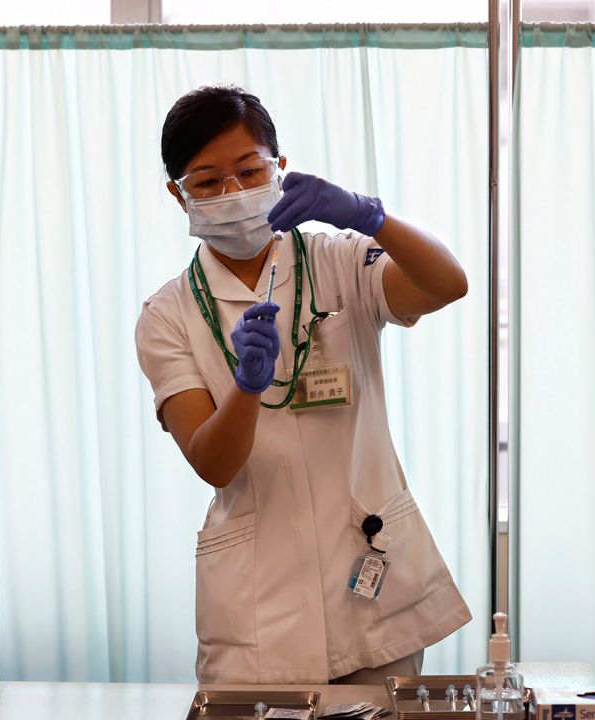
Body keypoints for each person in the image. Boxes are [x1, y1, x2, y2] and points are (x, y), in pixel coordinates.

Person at [135, 85, 471, 685]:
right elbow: (213, 462)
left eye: (248, 170)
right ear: (177, 195)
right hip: (257, 613)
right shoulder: (168, 315)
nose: (232, 193)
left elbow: (447, 285)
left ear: (280, 167)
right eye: (207, 182)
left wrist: (373, 217)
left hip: (371, 583)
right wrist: (244, 388)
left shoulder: (341, 260)